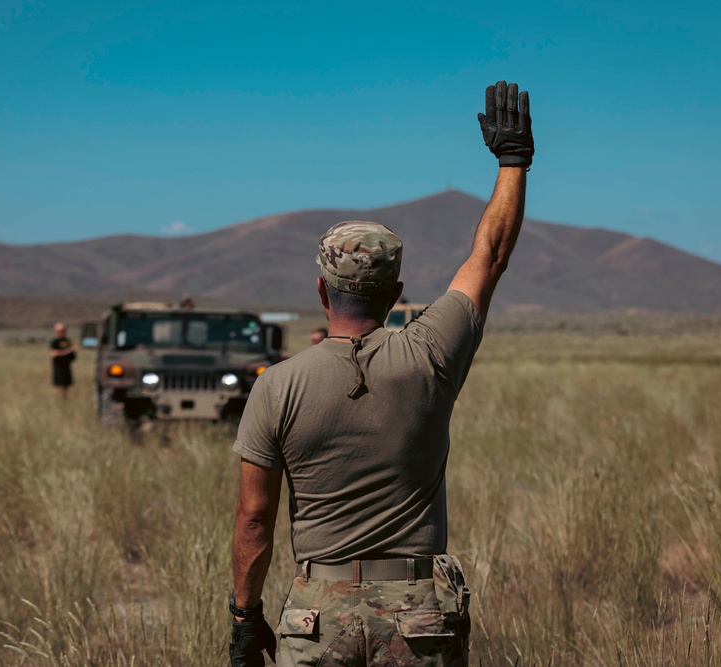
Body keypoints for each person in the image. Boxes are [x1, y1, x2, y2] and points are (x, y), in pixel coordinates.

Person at [229, 80, 534, 666]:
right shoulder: (430, 355)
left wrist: (246, 619)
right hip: (418, 613)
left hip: (317, 614)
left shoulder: (275, 386)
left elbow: (253, 518)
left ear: (321, 288)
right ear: (396, 293)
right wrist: (512, 162)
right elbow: (490, 254)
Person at [49, 322, 76, 399]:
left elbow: (72, 355)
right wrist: (66, 352)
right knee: (58, 388)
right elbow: (53, 354)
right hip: (58, 368)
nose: (61, 332)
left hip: (67, 368)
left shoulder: (67, 341)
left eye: (63, 331)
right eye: (59, 331)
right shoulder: (55, 342)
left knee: (66, 388)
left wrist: (73, 352)